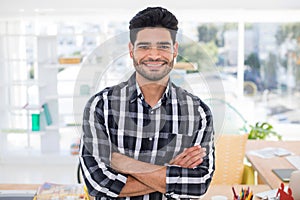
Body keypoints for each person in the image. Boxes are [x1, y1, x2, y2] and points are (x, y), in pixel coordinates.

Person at [79, 6, 215, 200]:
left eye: (163, 46)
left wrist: (125, 164)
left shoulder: (198, 112)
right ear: (130, 50)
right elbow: (99, 185)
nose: (153, 55)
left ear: (174, 50)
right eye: (144, 46)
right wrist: (172, 172)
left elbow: (198, 184)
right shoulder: (100, 107)